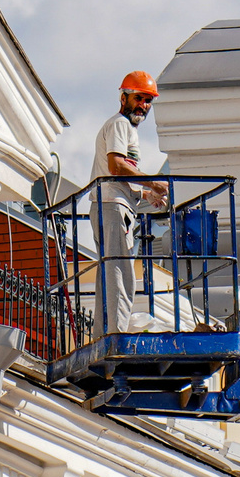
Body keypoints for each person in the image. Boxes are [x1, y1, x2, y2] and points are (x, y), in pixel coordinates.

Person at [92, 70, 167, 331]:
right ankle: (116, 333)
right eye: (139, 98)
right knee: (120, 273)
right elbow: (116, 166)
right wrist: (153, 183)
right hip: (113, 206)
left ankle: (107, 332)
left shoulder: (123, 127)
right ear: (124, 97)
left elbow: (118, 174)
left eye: (148, 101)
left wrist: (144, 194)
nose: (144, 106)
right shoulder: (120, 124)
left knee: (112, 271)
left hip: (113, 203)